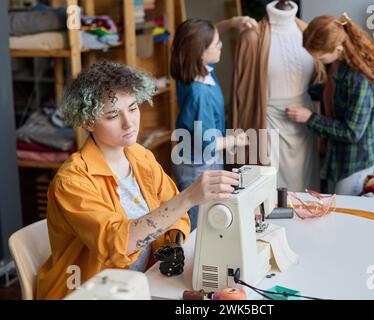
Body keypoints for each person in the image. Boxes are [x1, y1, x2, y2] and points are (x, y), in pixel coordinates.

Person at [36, 61, 240, 299]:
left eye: (133, 108)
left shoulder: (140, 156)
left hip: (145, 282)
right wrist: (188, 198)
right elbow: (117, 245)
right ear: (88, 121)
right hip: (88, 292)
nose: (129, 122)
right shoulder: (72, 181)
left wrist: (172, 246)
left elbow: (174, 212)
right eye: (113, 115)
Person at [170, 17, 255, 230]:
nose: (221, 45)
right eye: (216, 44)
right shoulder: (199, 93)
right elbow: (208, 144)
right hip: (198, 165)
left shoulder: (193, 70)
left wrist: (233, 23)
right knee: (201, 225)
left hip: (197, 158)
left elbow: (207, 34)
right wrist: (237, 139)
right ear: (201, 52)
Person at [286, 14, 374, 196]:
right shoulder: (337, 64)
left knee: (346, 213)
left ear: (337, 49)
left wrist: (310, 118)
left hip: (356, 160)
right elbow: (332, 92)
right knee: (335, 205)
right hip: (339, 156)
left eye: (321, 58)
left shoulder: (358, 80)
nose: (318, 62)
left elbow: (352, 132)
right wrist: (302, 91)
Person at [231, 0, 322, 192]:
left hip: (304, 124)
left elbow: (320, 78)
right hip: (269, 121)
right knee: (271, 189)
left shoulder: (307, 31)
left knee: (306, 188)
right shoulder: (252, 36)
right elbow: (241, 91)